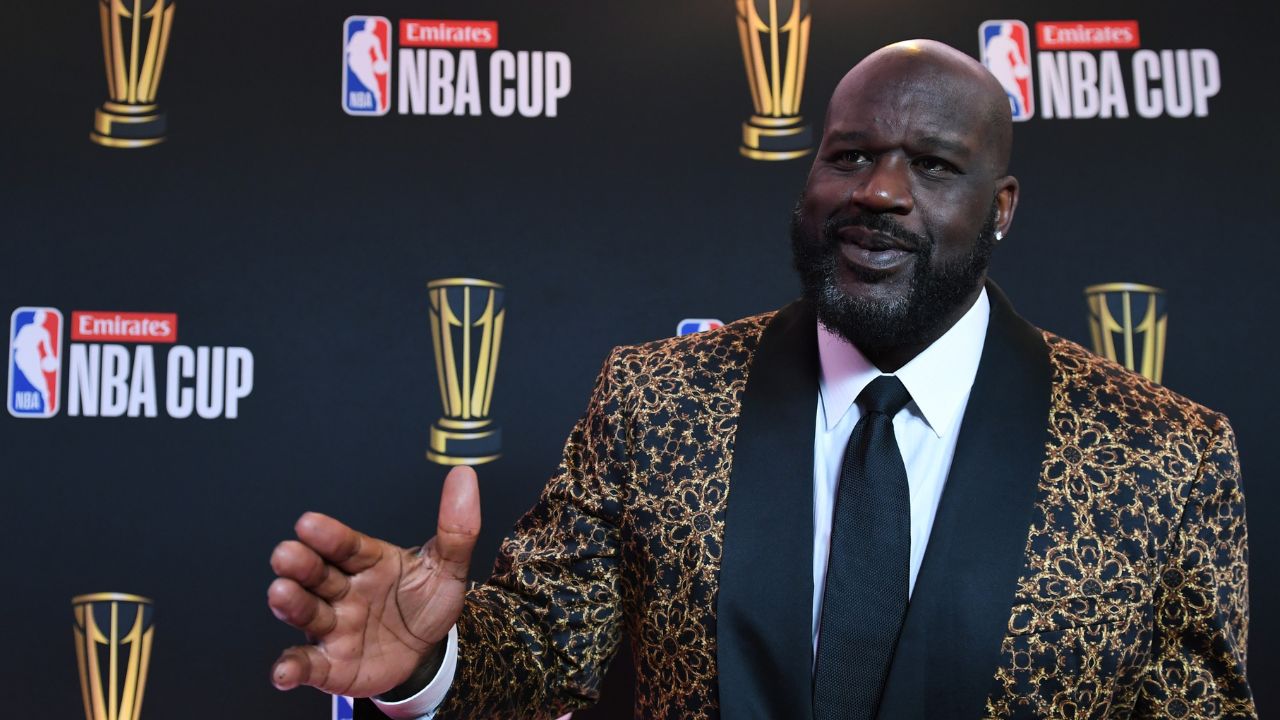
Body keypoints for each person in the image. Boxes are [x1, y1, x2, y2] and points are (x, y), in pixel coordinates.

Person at [267, 40, 1254, 718]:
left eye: (931, 165)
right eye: (850, 156)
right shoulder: (657, 401)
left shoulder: (1161, 455)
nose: (877, 191)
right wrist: (428, 662)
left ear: (1000, 208)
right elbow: (541, 649)